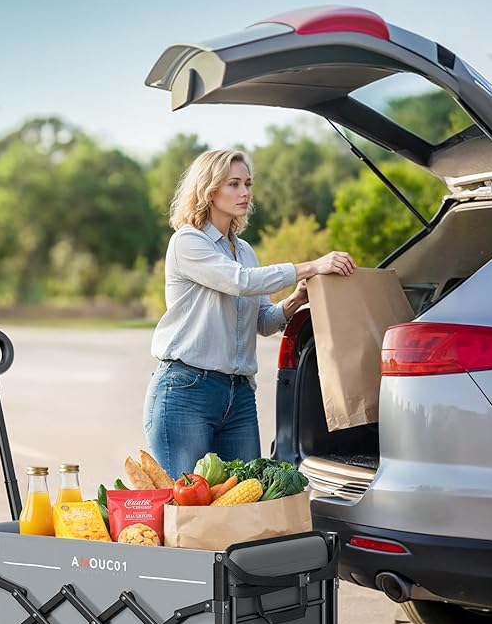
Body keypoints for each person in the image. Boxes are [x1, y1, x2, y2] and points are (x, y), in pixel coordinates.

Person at [143, 148, 356, 480]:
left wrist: (295, 299)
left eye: (247, 184)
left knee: (246, 503)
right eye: (233, 184)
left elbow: (262, 321)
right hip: (187, 391)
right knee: (185, 510)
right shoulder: (188, 241)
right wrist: (310, 266)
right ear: (208, 190)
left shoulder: (244, 250)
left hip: (239, 394)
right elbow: (239, 282)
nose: (244, 193)